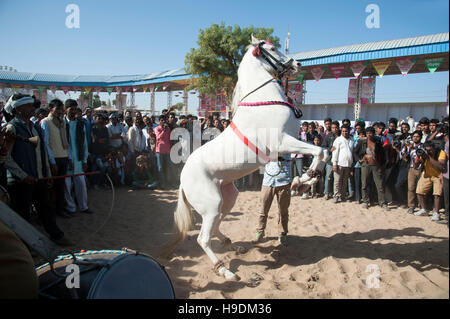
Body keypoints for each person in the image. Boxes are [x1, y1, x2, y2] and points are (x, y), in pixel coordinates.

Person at [3, 94, 71, 245]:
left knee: (46, 209)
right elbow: (6, 158)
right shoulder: (12, 128)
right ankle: (24, 246)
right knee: (22, 214)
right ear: (18, 109)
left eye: (31, 105)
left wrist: (46, 174)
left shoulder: (34, 128)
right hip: (21, 181)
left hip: (38, 178)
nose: (32, 108)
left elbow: (42, 153)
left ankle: (57, 236)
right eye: (28, 106)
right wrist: (22, 175)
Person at [40, 99, 72, 219]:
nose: (60, 111)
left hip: (63, 157)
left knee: (61, 186)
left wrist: (69, 157)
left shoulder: (62, 122)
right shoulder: (45, 122)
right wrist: (52, 162)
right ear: (51, 109)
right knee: (51, 187)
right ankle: (49, 212)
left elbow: (66, 142)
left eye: (61, 109)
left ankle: (60, 210)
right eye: (58, 109)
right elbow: (46, 144)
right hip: (54, 160)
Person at [254, 154, 292, 247]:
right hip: (268, 181)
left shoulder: (287, 142)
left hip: (284, 180)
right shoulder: (267, 144)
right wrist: (262, 175)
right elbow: (261, 161)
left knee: (283, 211)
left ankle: (282, 234)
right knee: (263, 209)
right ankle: (260, 231)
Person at [64, 105, 93, 215]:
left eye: (75, 109)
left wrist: (85, 159)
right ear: (66, 109)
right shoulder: (62, 124)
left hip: (79, 159)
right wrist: (69, 158)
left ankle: (83, 206)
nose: (73, 112)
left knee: (81, 184)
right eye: (71, 109)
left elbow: (84, 143)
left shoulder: (81, 124)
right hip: (67, 159)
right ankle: (71, 208)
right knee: (66, 186)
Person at [354, 126, 389, 210]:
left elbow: (383, 155)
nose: (369, 135)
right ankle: (365, 201)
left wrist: (381, 166)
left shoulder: (378, 142)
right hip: (365, 165)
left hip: (376, 165)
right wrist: (359, 160)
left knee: (379, 185)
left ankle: (382, 202)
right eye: (367, 133)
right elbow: (355, 152)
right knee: (364, 184)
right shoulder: (361, 142)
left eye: (371, 133)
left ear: (374, 133)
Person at [414, 141, 446, 221]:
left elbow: (441, 166)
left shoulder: (441, 153)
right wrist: (417, 160)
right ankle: (424, 209)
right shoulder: (424, 154)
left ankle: (436, 213)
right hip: (427, 174)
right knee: (419, 191)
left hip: (438, 175)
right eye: (427, 150)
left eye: (430, 150)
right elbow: (415, 166)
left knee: (437, 194)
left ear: (434, 148)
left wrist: (429, 157)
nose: (428, 151)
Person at [331, 124, 354, 203]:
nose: (344, 132)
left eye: (346, 131)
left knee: (344, 182)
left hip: (348, 164)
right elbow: (334, 152)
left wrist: (351, 165)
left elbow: (352, 152)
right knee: (337, 181)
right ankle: (336, 196)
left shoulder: (352, 140)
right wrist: (334, 163)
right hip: (339, 164)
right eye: (343, 131)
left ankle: (343, 196)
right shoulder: (338, 140)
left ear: (349, 131)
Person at [403, 130, 423, 214]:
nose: (415, 138)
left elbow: (421, 155)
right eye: (414, 136)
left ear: (420, 138)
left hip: (421, 169)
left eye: (417, 136)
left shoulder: (423, 146)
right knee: (411, 188)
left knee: (421, 189)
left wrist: (412, 149)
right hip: (411, 168)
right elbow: (402, 155)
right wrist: (405, 149)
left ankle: (422, 206)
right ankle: (411, 206)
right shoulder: (408, 146)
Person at [322, 121, 340, 199]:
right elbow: (323, 147)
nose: (334, 129)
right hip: (330, 160)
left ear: (338, 127)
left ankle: (336, 193)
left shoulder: (341, 136)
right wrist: (330, 149)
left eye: (336, 127)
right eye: (333, 128)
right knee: (328, 177)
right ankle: (326, 193)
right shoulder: (328, 136)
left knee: (338, 178)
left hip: (340, 160)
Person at [154, 116, 173, 189]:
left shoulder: (168, 129)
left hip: (167, 150)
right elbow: (158, 138)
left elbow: (169, 139)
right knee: (160, 168)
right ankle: (162, 184)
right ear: (159, 121)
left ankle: (169, 183)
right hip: (159, 151)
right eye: (162, 120)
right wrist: (163, 130)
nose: (163, 121)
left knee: (169, 167)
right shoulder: (157, 128)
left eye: (164, 120)